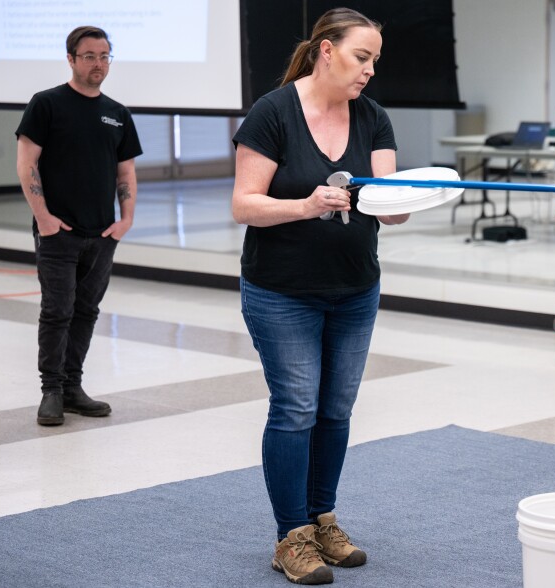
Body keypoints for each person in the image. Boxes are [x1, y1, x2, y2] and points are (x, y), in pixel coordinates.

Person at [231, 7, 409, 585]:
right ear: (326, 51)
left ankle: (322, 518)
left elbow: (388, 199)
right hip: (282, 291)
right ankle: (292, 536)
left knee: (336, 410)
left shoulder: (373, 118)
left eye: (376, 61)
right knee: (296, 408)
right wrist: (306, 205)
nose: (370, 71)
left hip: (356, 288)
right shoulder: (272, 113)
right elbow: (244, 205)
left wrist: (409, 200)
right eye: (363, 57)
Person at [16, 26, 142, 427]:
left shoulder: (118, 113)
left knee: (86, 311)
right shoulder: (47, 104)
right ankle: (51, 391)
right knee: (57, 311)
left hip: (101, 234)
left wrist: (126, 220)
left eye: (105, 56)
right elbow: (26, 164)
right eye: (89, 56)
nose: (98, 64)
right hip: (59, 233)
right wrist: (44, 219)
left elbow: (126, 172)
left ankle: (72, 387)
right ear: (71, 59)